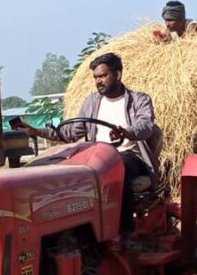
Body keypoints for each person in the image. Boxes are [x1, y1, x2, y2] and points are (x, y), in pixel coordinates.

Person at [19, 52, 158, 242]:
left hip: (128, 155)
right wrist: (37, 132)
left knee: (117, 168)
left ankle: (125, 233)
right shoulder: (91, 103)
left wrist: (125, 132)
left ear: (118, 74)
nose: (98, 81)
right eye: (96, 78)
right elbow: (70, 133)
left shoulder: (139, 100)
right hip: (96, 157)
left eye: (103, 76)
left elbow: (146, 126)